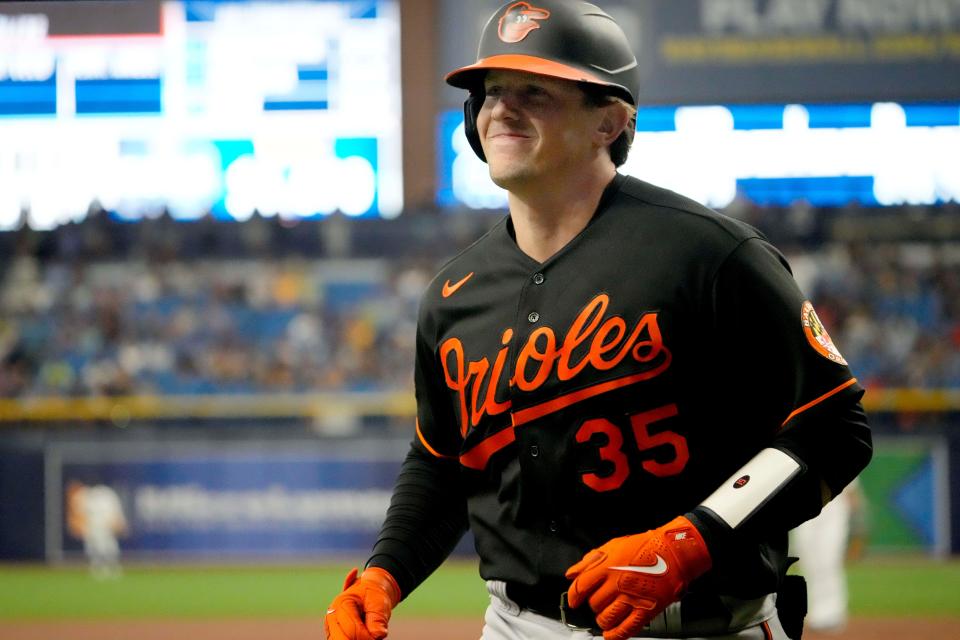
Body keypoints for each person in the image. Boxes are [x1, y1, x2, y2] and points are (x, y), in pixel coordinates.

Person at [324, 2, 872, 639]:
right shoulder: (453, 295)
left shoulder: (711, 255)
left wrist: (689, 541)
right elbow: (444, 463)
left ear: (609, 121)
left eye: (535, 91)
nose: (501, 108)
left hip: (703, 625)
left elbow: (834, 428)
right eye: (491, 93)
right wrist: (384, 572)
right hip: (517, 625)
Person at [791, 477, 868, 633]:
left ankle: (834, 614)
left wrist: (858, 521)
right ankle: (817, 613)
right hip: (805, 510)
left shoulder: (841, 454)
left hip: (834, 512)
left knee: (829, 562)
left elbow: (852, 491)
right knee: (810, 564)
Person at [66, 480, 129, 580]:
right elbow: (78, 515)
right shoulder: (86, 495)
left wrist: (118, 523)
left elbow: (115, 514)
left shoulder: (105, 493)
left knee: (108, 548)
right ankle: (99, 568)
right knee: (96, 549)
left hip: (104, 527)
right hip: (93, 528)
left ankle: (110, 568)